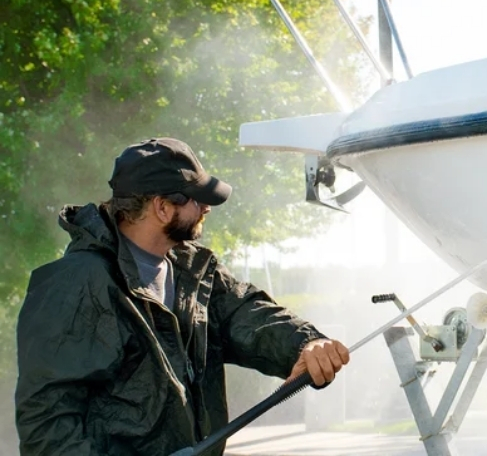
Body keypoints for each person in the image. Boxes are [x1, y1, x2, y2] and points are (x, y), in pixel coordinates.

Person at [15, 137, 350, 456]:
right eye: (196, 199)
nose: (206, 208)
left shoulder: (194, 270)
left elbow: (247, 314)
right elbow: (47, 424)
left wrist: (305, 344)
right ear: (161, 207)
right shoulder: (75, 283)